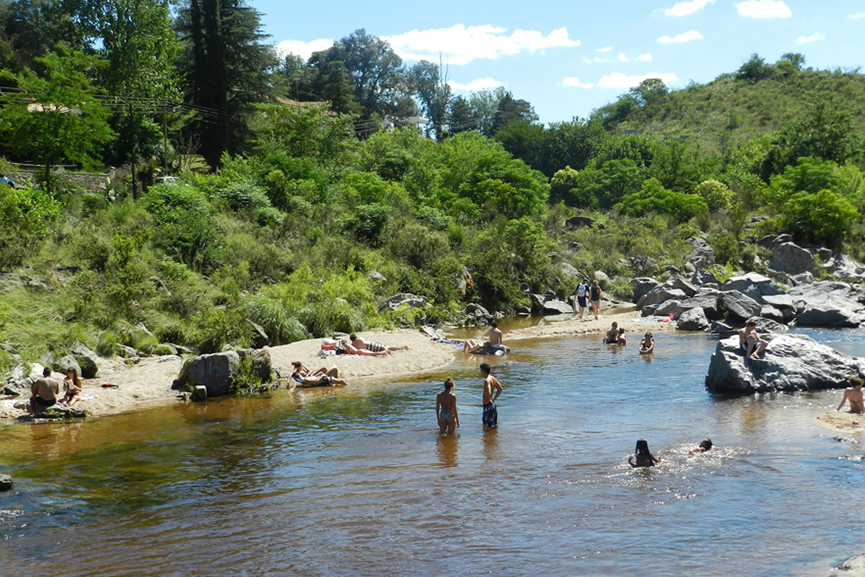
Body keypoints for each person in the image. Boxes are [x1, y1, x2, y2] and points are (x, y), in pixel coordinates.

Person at [480, 362, 502, 428]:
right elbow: (500, 389)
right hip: (492, 404)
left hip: (488, 405)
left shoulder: (486, 380)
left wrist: (486, 400)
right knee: (493, 425)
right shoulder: (493, 378)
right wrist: (494, 398)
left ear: (483, 371)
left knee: (487, 426)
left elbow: (488, 391)